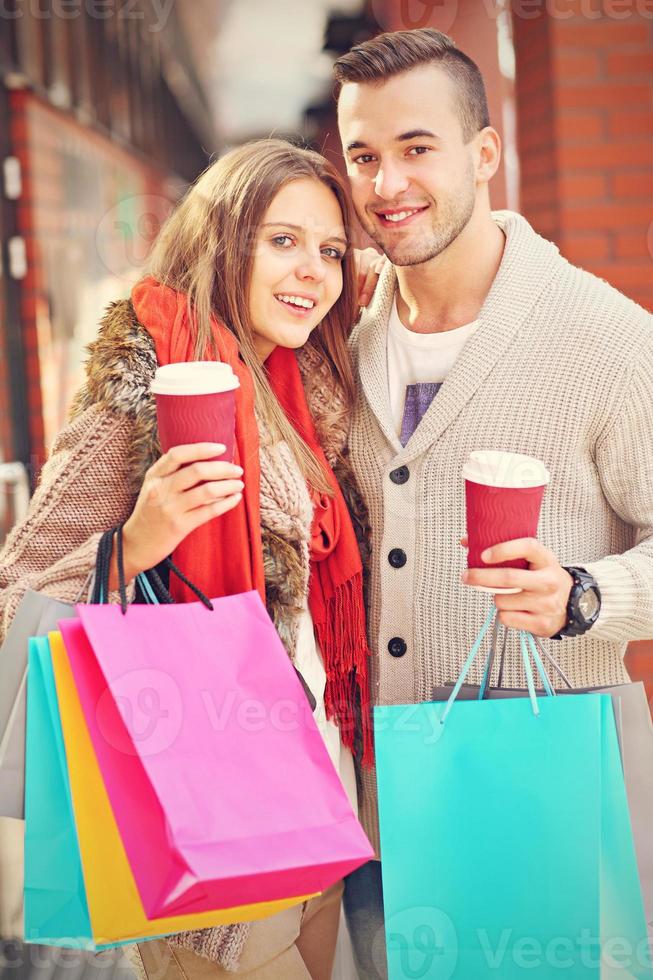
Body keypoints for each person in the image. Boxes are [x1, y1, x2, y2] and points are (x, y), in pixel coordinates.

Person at [0, 138, 374, 980]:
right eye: (281, 241)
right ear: (222, 241)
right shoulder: (148, 389)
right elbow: (13, 590)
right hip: (203, 816)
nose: (312, 270)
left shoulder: (302, 386)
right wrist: (136, 543)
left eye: (329, 250)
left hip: (316, 795)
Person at [332, 27, 653, 980]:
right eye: (363, 156)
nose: (386, 183)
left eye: (416, 148)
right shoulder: (340, 339)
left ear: (483, 152)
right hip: (376, 801)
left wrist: (584, 597)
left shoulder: (605, 337)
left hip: (542, 778)